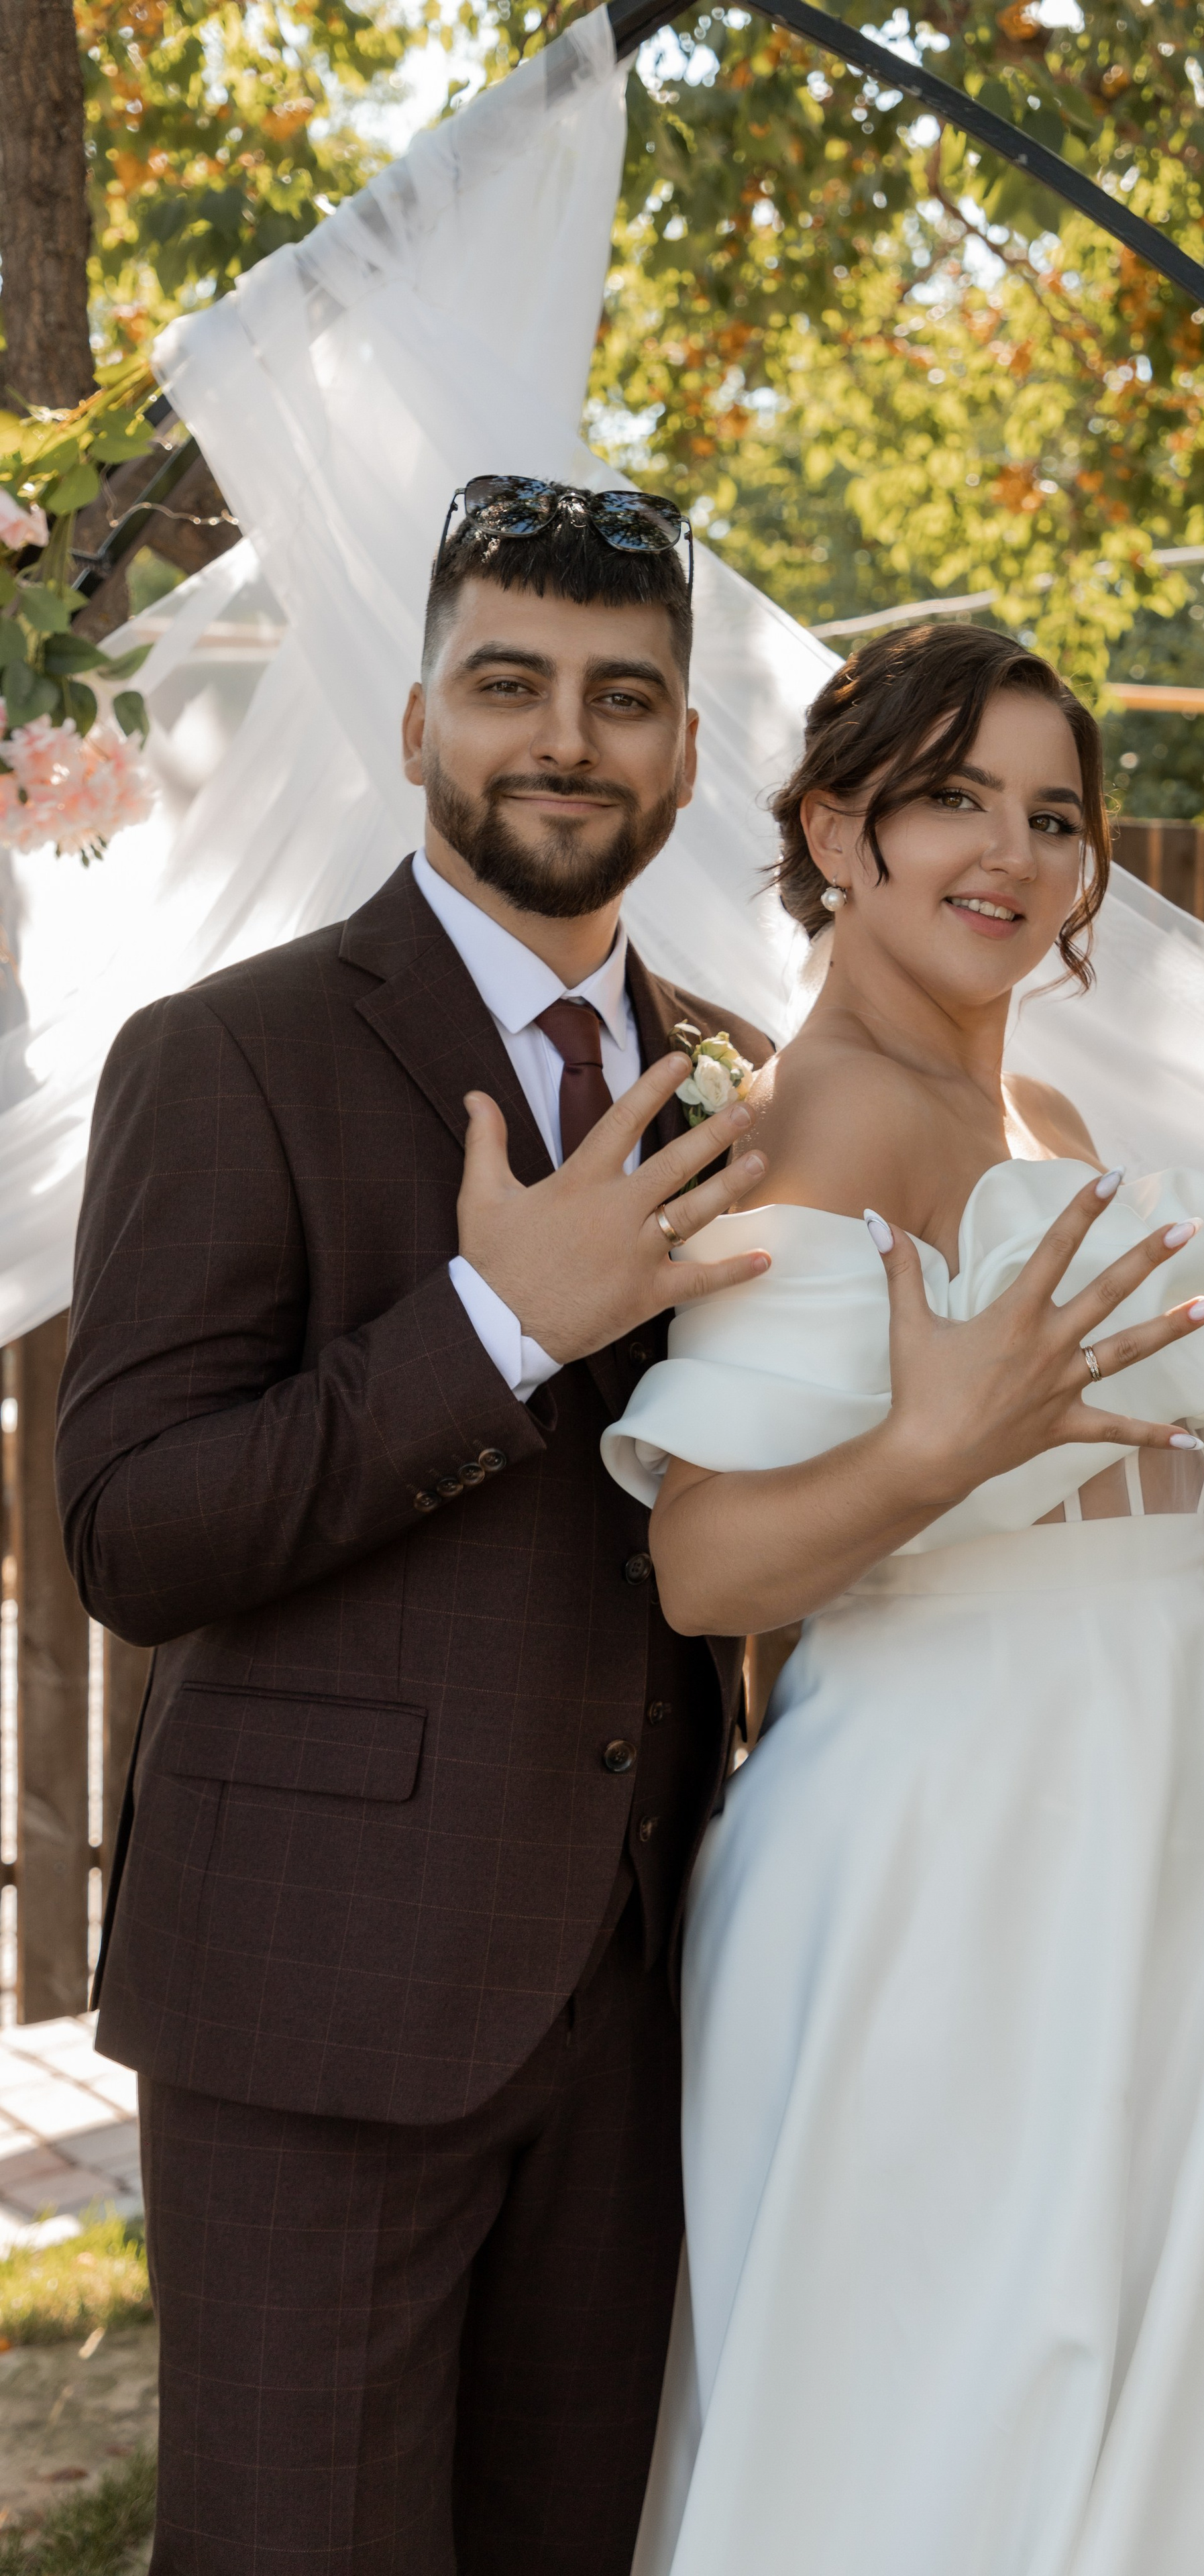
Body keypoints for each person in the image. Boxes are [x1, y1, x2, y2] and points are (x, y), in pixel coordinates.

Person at [604, 622, 1204, 2575]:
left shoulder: (1053, 1127)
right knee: (973, 2384)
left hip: (1157, 1807)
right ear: (840, 829)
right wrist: (931, 1453)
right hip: (955, 1831)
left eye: (1054, 816)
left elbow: (1137, 1475)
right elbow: (697, 1564)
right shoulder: (816, 1128)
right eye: (953, 801)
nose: (1012, 851)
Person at [56, 478, 776, 2575]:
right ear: (413, 727)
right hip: (318, 1992)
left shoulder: (732, 1085)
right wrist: (493, 1326)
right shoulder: (230, 1058)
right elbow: (132, 1530)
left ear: (685, 757)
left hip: (637, 1997)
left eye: (623, 696)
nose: (566, 736)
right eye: (509, 683)